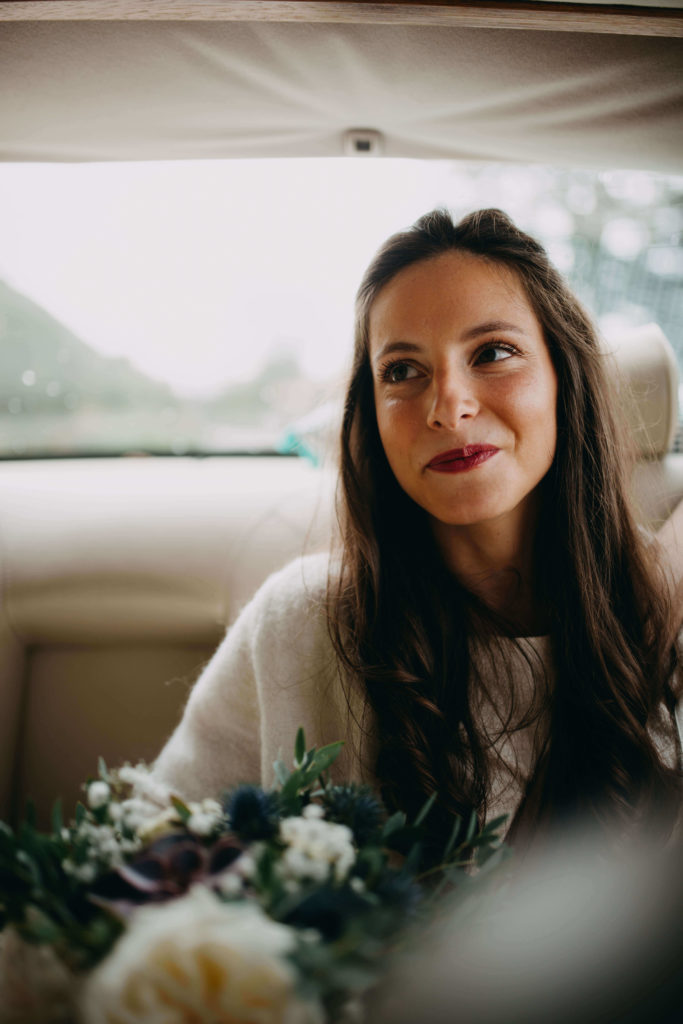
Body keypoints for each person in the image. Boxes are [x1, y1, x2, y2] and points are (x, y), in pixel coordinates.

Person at [153, 208, 682, 851]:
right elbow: (152, 862)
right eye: (402, 371)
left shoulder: (665, 620)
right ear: (371, 416)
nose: (447, 405)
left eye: (493, 353)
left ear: (563, 379)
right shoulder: (300, 626)